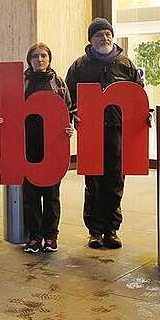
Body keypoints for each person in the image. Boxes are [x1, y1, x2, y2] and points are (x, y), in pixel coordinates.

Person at [65, 18, 144, 250]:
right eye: (99, 35)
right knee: (93, 182)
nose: (105, 38)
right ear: (90, 40)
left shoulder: (125, 64)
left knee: (115, 180)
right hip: (90, 132)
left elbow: (138, 94)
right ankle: (94, 231)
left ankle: (112, 229)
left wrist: (142, 116)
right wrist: (73, 113)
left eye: (108, 34)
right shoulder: (79, 66)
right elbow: (68, 97)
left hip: (117, 132)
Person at [0, 42, 74, 253]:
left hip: (52, 147)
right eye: (36, 56)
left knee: (51, 195)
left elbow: (68, 112)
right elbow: (9, 110)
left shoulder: (59, 83)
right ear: (29, 60)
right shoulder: (21, 83)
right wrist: (1, 120)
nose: (40, 60)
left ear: (49, 59)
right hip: (27, 146)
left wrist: (69, 129)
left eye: (44, 56)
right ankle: (34, 236)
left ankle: (51, 236)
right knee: (30, 195)